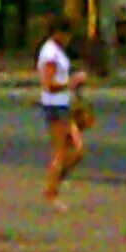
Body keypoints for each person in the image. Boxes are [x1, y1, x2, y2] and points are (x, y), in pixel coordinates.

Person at [38, 11, 88, 207]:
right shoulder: (49, 53)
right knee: (60, 151)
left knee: (77, 149)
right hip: (54, 105)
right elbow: (48, 83)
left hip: (63, 104)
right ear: (57, 33)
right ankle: (52, 192)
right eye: (66, 35)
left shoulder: (57, 51)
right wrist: (72, 82)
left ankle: (56, 182)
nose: (68, 39)